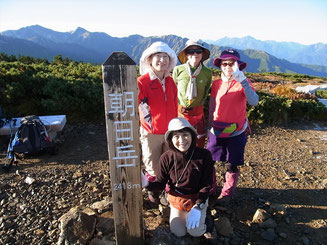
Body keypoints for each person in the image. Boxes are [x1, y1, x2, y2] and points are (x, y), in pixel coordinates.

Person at [141, 117, 214, 237]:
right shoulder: (166, 157)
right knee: (178, 232)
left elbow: (207, 184)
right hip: (177, 200)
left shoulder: (204, 155)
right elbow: (160, 182)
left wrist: (198, 206)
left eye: (185, 135)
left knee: (195, 232)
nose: (181, 140)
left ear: (192, 136)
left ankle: (207, 222)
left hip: (197, 199)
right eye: (176, 136)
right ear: (170, 139)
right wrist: (147, 184)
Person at [207, 49, 259, 206]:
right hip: (215, 130)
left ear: (238, 65)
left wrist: (242, 80)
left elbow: (254, 101)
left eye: (232, 63)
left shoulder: (244, 82)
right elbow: (212, 104)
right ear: (220, 65)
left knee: (231, 163)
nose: (228, 66)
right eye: (224, 63)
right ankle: (211, 189)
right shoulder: (216, 84)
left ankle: (227, 194)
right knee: (211, 161)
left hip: (237, 131)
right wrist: (208, 124)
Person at [138, 41, 178, 202]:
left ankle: (166, 190)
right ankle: (153, 191)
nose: (162, 60)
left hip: (169, 131)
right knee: (152, 165)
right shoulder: (142, 82)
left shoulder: (170, 81)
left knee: (169, 162)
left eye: (165, 57)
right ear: (149, 59)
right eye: (158, 56)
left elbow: (175, 104)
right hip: (151, 132)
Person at [172, 40, 212, 148]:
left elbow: (206, 92)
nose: (195, 54)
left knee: (198, 143)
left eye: (198, 51)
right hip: (180, 113)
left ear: (202, 54)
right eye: (191, 51)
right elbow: (173, 92)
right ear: (186, 54)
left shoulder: (207, 73)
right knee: (181, 143)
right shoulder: (177, 70)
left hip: (198, 114)